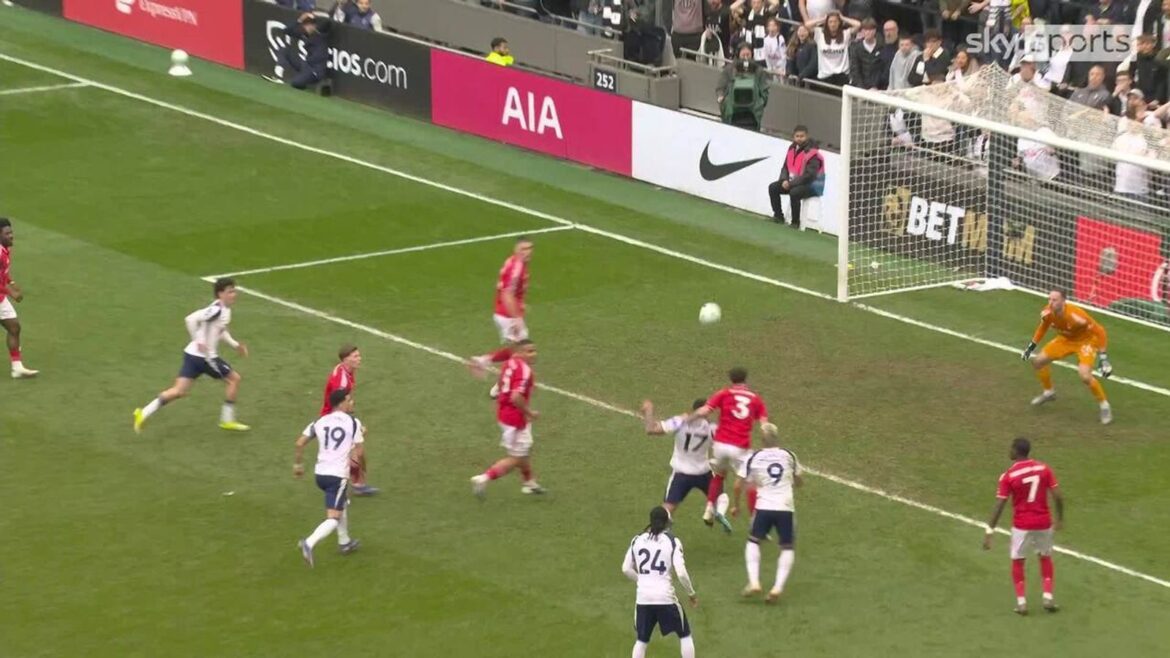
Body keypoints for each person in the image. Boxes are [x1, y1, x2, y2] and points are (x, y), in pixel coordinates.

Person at [133, 277, 250, 433]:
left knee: (178, 391)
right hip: (205, 358)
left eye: (234, 291)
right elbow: (190, 319)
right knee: (234, 379)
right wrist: (198, 340)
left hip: (192, 355)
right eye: (230, 292)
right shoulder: (217, 309)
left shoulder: (225, 311)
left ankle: (144, 412)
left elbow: (220, 330)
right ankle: (227, 420)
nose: (234, 294)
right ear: (220, 294)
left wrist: (235, 345)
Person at [982, 437, 1063, 615]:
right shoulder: (1044, 468)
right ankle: (1048, 597)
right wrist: (1060, 518)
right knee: (1045, 557)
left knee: (1018, 561)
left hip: (1022, 525)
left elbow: (999, 505)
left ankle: (1021, 603)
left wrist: (989, 531)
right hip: (1044, 522)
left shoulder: (1009, 476)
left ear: (1016, 451)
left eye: (1011, 448)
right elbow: (1058, 495)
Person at [686, 367, 769, 531]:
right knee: (751, 483)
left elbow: (705, 410)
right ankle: (755, 522)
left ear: (731, 380)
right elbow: (764, 424)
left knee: (719, 476)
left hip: (721, 444)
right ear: (746, 379)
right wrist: (769, 440)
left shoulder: (724, 393)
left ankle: (709, 507)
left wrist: (689, 418)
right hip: (740, 447)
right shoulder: (755, 399)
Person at [294, 388, 364, 567]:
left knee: (341, 503)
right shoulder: (353, 422)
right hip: (337, 475)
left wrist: (298, 465)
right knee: (333, 517)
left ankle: (344, 542)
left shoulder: (320, 421)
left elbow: (300, 442)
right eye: (349, 400)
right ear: (341, 403)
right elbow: (360, 451)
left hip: (320, 474)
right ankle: (309, 543)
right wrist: (358, 469)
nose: (352, 403)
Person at [1021, 288, 1113, 424]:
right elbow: (1043, 327)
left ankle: (1104, 405)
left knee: (1085, 376)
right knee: (1038, 362)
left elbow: (1100, 331)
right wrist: (1031, 347)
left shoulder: (1077, 316)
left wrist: (1103, 357)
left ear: (1063, 301)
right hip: (1065, 340)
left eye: (1055, 300)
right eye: (1049, 299)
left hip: (1085, 342)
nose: (1051, 303)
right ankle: (1049, 392)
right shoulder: (1047, 312)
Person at [470, 340, 546, 497]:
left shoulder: (511, 362)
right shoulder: (525, 370)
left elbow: (503, 384)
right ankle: (484, 478)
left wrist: (494, 395)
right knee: (516, 458)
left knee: (523, 451)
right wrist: (530, 413)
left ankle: (529, 483)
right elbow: (516, 397)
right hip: (515, 418)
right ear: (520, 352)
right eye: (529, 351)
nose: (534, 354)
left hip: (504, 414)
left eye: (534, 350)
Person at [621, 506, 699, 658]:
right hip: (665, 597)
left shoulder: (637, 540)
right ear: (666, 523)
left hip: (643, 598)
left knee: (642, 640)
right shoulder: (672, 541)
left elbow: (625, 568)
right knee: (684, 634)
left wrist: (642, 579)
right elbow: (681, 573)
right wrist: (691, 594)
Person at [739, 423, 801, 603]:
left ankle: (754, 582)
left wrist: (738, 502)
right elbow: (798, 481)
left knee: (753, 542)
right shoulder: (789, 455)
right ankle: (777, 587)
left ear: (762, 439)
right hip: (785, 507)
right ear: (777, 437)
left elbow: (743, 483)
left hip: (764, 507)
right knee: (787, 547)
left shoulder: (755, 457)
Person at [468, 236, 534, 392]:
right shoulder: (517, 267)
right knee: (523, 351)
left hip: (505, 313)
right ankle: (501, 384)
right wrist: (517, 317)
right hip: (507, 316)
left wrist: (520, 304)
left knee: (517, 350)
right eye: (523, 249)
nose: (528, 252)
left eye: (530, 248)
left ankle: (483, 361)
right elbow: (506, 294)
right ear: (516, 250)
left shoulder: (514, 262)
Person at [641, 399, 716, 515]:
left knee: (666, 511)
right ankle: (713, 511)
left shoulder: (680, 421)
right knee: (721, 498)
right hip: (703, 472)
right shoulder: (713, 428)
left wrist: (648, 410)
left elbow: (651, 429)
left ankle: (656, 530)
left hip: (681, 473)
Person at [321, 345, 378, 495]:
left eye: (359, 355)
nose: (359, 359)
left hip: (337, 414)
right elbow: (338, 404)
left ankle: (355, 481)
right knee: (355, 449)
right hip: (334, 417)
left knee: (355, 445)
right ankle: (354, 482)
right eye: (355, 357)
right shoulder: (342, 381)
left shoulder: (344, 370)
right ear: (346, 359)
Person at [0, 218, 37, 379]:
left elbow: (3, 273)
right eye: (7, 233)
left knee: (14, 327)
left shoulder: (5, 250)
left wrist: (12, 282)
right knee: (14, 327)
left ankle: (17, 367)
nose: (11, 236)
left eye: (11, 232)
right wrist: (11, 293)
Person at [767, 125, 825, 228]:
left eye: (802, 136)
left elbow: (809, 175)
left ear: (806, 136)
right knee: (773, 187)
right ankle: (778, 216)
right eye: (797, 136)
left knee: (794, 193)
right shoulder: (792, 148)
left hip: (812, 185)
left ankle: (795, 222)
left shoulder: (812, 152)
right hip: (794, 182)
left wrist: (791, 183)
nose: (799, 138)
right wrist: (784, 180)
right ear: (793, 137)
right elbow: (785, 167)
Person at [266, 13, 330, 90]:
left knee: (295, 83)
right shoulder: (305, 34)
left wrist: (313, 14)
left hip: (315, 71)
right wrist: (299, 20)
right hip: (306, 66)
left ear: (314, 26)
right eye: (306, 25)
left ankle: (302, 81)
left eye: (310, 25)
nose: (307, 28)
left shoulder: (320, 37)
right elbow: (286, 31)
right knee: (284, 50)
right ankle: (278, 76)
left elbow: (327, 22)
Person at [807, 11, 860, 88]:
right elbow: (807, 25)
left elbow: (858, 25)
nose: (833, 24)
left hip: (841, 75)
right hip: (825, 76)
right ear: (827, 23)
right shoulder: (820, 34)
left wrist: (842, 17)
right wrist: (822, 19)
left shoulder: (845, 34)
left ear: (839, 23)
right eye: (830, 22)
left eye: (835, 21)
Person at [848, 18, 883, 90]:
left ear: (874, 30)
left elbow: (881, 69)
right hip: (860, 88)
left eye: (870, 30)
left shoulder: (881, 46)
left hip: (877, 88)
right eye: (865, 30)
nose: (867, 32)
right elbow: (855, 70)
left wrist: (875, 86)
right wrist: (862, 88)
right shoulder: (856, 48)